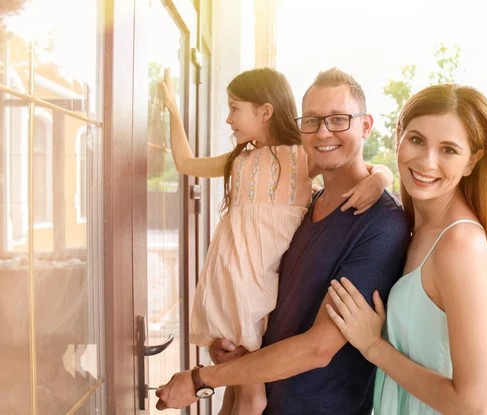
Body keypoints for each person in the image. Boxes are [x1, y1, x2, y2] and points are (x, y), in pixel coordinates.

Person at [155, 68, 411, 414]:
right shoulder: (305, 203)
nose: (324, 133)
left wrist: (380, 177)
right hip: (263, 373)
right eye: (313, 121)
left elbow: (318, 349)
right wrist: (234, 355)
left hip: (314, 405)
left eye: (338, 119)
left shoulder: (378, 223)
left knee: (243, 397)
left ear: (365, 126)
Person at [325, 83, 487, 414]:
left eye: (449, 150)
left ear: (472, 162)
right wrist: (380, 177)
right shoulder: (415, 226)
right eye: (416, 140)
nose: (427, 162)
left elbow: (475, 405)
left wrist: (374, 346)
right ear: (398, 135)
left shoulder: (459, 245)